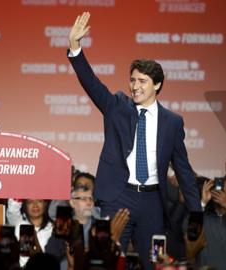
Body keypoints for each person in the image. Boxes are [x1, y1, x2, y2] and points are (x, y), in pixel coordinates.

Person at [67, 12, 201, 269]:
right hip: (118, 196)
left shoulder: (172, 122)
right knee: (106, 261)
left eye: (142, 81)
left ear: (157, 85)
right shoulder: (117, 106)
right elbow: (91, 84)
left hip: (152, 203)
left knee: (154, 264)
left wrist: (197, 214)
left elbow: (183, 170)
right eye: (132, 80)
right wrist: (75, 47)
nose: (135, 86)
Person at [185, 178, 226, 270]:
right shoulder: (204, 217)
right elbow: (188, 229)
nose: (222, 193)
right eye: (220, 189)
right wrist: (202, 203)